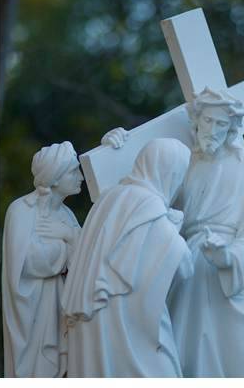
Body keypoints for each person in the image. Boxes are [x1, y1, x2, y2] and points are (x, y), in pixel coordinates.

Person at [167, 87, 244, 377]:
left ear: (232, 128)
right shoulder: (182, 164)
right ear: (197, 121)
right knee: (185, 352)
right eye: (208, 121)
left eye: (222, 124)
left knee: (238, 357)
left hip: (234, 272)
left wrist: (232, 255)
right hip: (187, 265)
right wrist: (118, 142)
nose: (213, 130)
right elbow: (154, 200)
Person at [61, 138, 193, 377]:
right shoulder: (146, 203)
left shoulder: (110, 197)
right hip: (124, 323)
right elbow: (183, 264)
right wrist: (178, 228)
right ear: (168, 172)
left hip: (99, 316)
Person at [2, 142, 83, 377]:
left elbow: (85, 257)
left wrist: (68, 236)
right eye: (73, 170)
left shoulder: (66, 215)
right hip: (33, 314)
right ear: (55, 177)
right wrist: (66, 247)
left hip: (61, 310)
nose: (80, 177)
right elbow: (28, 261)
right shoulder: (21, 210)